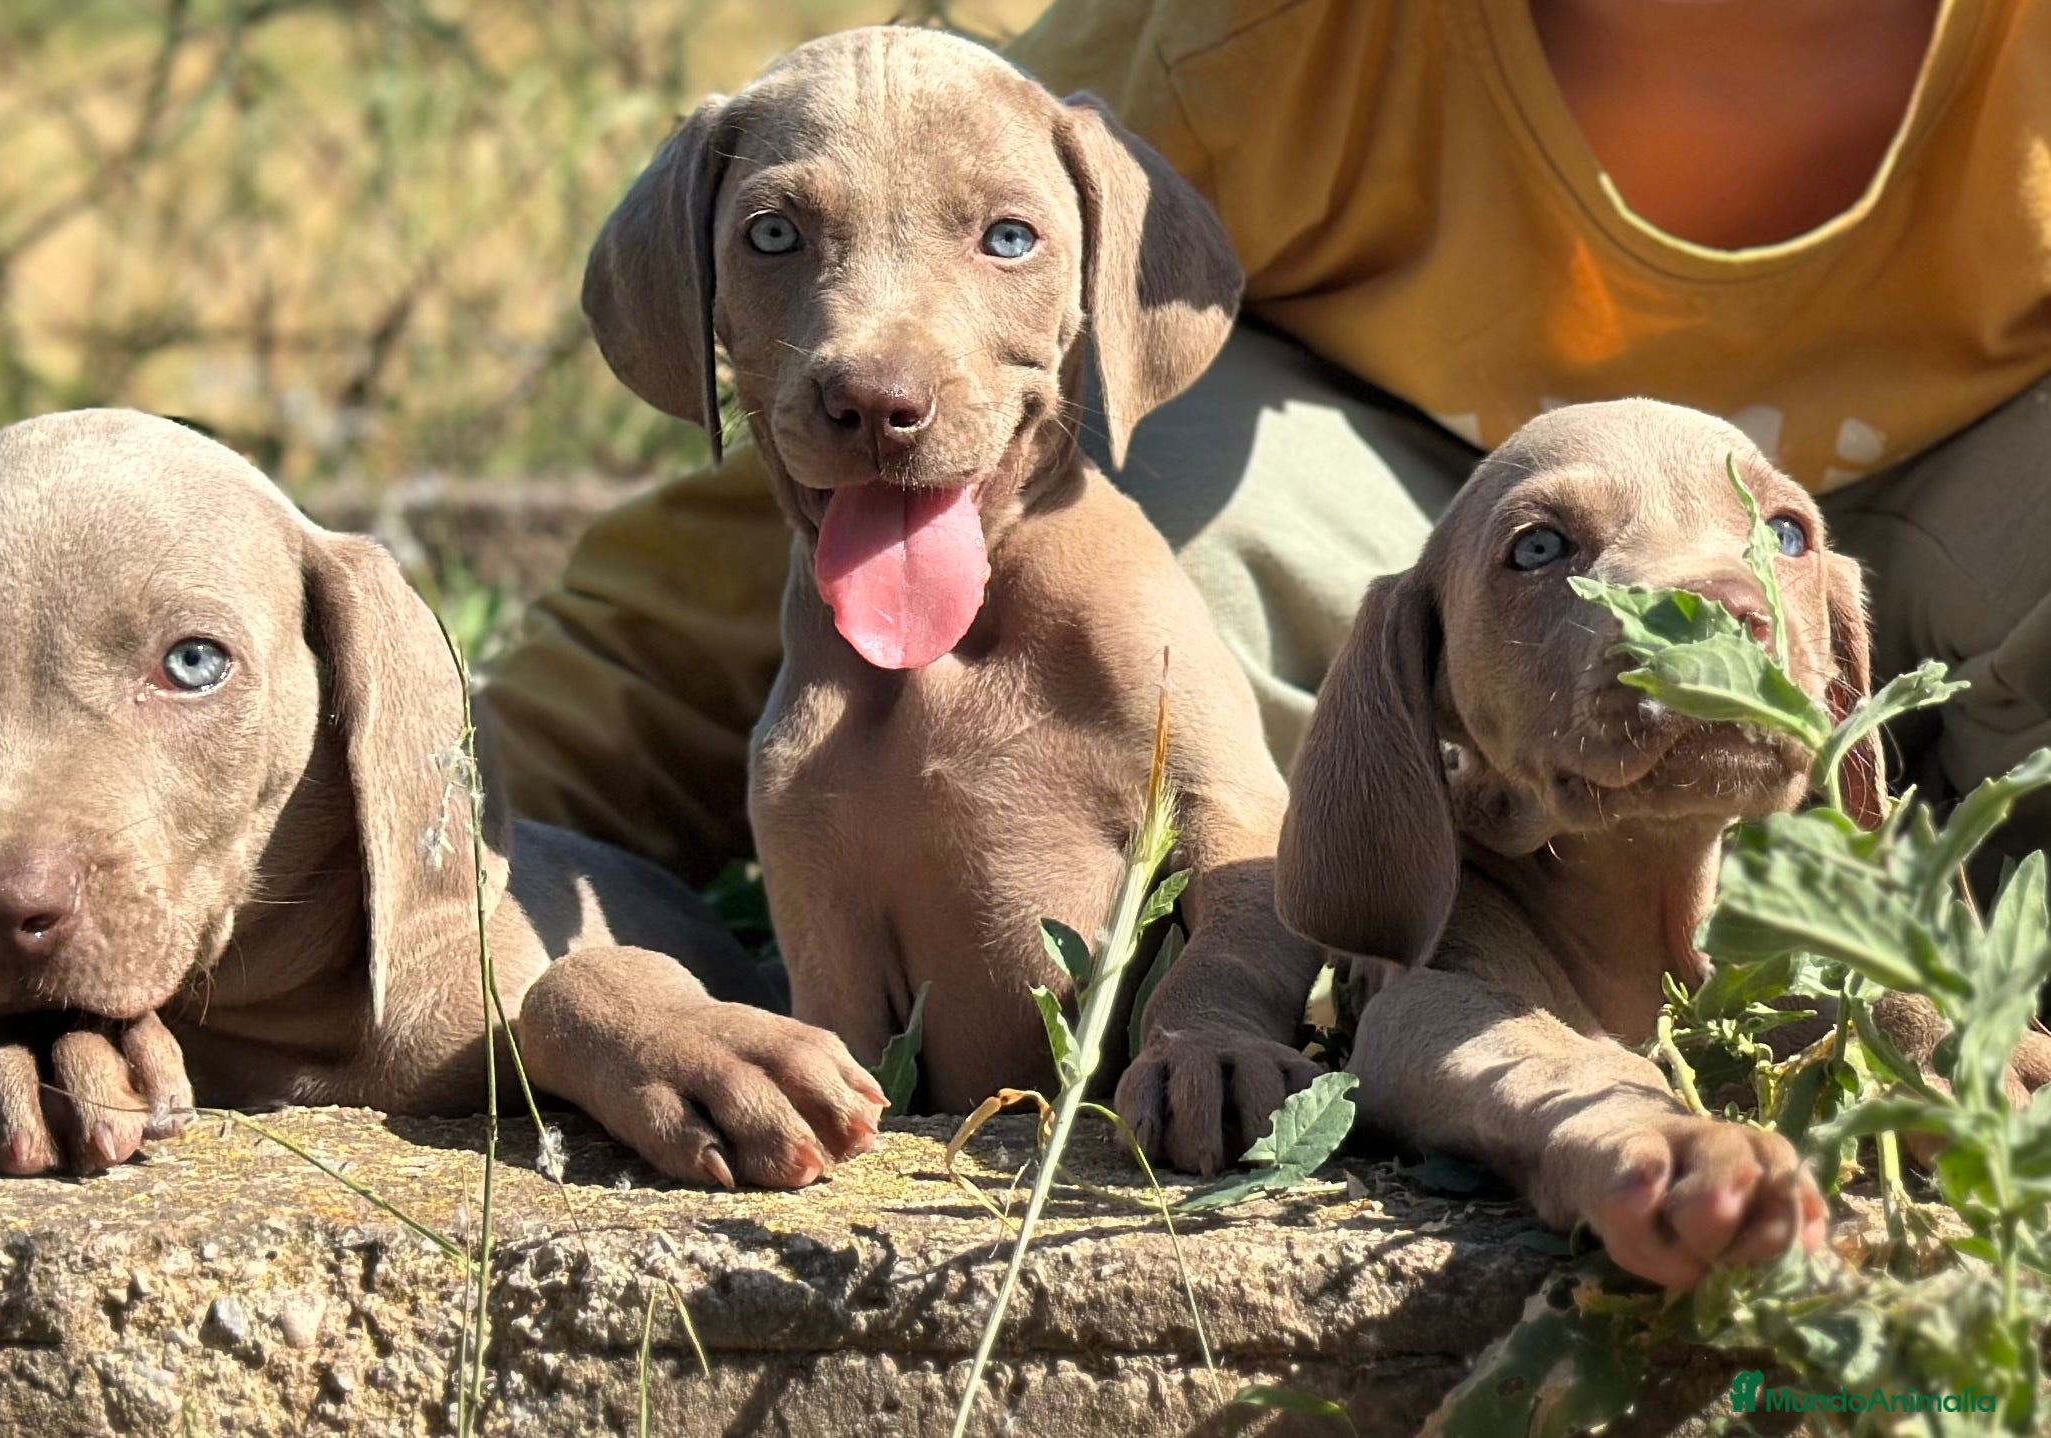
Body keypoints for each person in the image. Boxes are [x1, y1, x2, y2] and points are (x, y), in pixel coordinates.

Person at [476, 0, 2051, 884]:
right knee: (1129, 495)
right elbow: (880, 425)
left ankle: (1970, 955)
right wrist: (460, 825)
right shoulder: (1258, 42)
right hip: (1487, 653)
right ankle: (1352, 952)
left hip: (1963, 588)